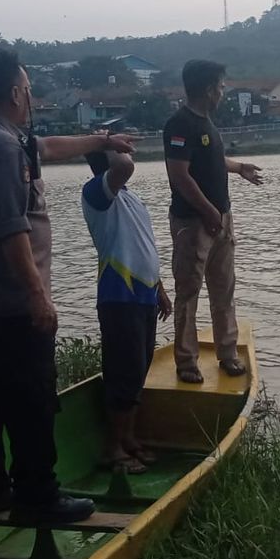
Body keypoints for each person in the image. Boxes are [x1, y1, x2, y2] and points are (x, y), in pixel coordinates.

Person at [0, 46, 136, 522]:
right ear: (16, 93)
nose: (31, 97)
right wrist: (39, 297)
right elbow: (11, 229)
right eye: (29, 89)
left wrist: (99, 141)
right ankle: (38, 497)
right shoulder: (1, 147)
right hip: (14, 305)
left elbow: (50, 148)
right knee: (33, 403)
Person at [162, 60, 263, 384]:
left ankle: (228, 353)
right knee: (188, 293)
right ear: (208, 89)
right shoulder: (180, 123)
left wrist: (238, 168)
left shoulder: (207, 124)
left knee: (224, 291)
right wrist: (208, 212)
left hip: (221, 219)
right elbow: (179, 174)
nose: (222, 92)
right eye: (220, 86)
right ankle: (187, 362)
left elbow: (211, 160)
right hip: (193, 223)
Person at [81, 147, 172, 474]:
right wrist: (107, 141)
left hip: (143, 295)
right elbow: (125, 165)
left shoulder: (130, 198)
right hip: (119, 296)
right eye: (116, 150)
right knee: (123, 371)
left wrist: (159, 288)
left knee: (138, 369)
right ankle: (113, 449)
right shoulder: (97, 193)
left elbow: (141, 244)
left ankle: (129, 438)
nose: (125, 150)